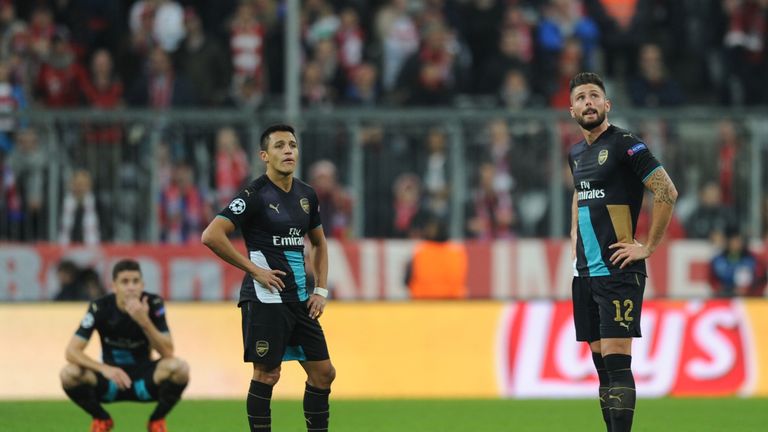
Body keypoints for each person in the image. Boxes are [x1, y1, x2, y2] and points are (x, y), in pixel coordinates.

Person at [201, 124, 335, 432]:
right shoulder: (254, 195)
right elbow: (212, 235)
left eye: (292, 145)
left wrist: (321, 289)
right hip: (265, 299)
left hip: (301, 300)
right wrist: (254, 270)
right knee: (267, 374)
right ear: (264, 155)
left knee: (324, 373)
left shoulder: (307, 195)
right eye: (279, 146)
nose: (288, 151)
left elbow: (319, 243)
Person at [567, 72, 677, 432]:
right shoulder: (576, 153)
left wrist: (648, 246)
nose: (588, 102)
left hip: (617, 269)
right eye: (581, 97)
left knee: (617, 363)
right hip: (585, 272)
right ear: (572, 110)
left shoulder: (625, 143)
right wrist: (573, 235)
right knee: (601, 368)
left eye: (594, 96)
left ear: (607, 104)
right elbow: (580, 191)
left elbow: (666, 191)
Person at [59, 259, 189, 432]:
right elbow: (71, 352)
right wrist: (103, 368)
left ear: (142, 285)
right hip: (110, 380)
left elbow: (167, 352)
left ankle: (156, 421)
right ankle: (101, 418)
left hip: (143, 379)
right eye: (125, 282)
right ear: (114, 286)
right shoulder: (100, 307)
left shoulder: (153, 304)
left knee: (180, 369)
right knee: (69, 373)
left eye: (135, 281)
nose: (131, 287)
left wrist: (144, 321)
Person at [405, 216, 467, 299]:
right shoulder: (457, 253)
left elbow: (407, 279)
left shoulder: (420, 252)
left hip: (422, 302)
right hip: (452, 302)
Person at [709, 226, 766, 298]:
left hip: (750, 298)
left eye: (738, 240)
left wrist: (751, 290)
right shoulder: (718, 260)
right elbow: (713, 280)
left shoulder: (752, 258)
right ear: (728, 242)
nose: (736, 244)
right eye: (733, 241)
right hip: (725, 297)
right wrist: (726, 290)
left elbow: (761, 278)